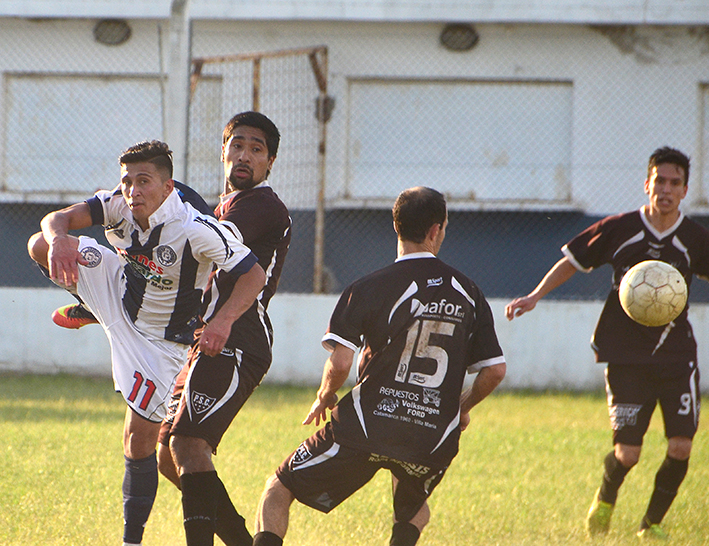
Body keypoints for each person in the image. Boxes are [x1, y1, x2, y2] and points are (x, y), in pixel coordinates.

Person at [27, 140, 266, 546]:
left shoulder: (195, 229)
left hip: (159, 342)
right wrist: (61, 236)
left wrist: (223, 322)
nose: (133, 191)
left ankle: (130, 540)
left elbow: (254, 275)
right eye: (127, 181)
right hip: (118, 292)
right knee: (40, 244)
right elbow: (57, 219)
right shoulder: (119, 203)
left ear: (167, 187)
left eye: (144, 182)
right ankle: (91, 306)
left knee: (138, 442)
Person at [252, 186, 506, 546]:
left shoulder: (367, 287)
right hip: (431, 435)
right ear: (436, 230)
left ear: (396, 226)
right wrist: (460, 409)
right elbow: (494, 370)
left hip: (366, 426)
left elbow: (340, 362)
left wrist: (326, 394)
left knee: (278, 489)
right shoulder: (470, 293)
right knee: (414, 511)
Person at [504, 147, 705, 540]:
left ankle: (652, 524)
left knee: (681, 446)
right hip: (625, 355)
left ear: (684, 190)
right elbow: (573, 261)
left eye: (674, 183)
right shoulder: (620, 228)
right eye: (659, 181)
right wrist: (534, 296)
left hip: (677, 356)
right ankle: (606, 498)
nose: (665, 189)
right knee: (627, 454)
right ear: (647, 183)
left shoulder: (695, 238)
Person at [154, 111, 291, 546]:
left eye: (256, 149)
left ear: (270, 162)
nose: (244, 156)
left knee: (189, 445)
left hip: (238, 337)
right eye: (237, 145)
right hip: (212, 336)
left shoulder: (262, 206)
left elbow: (209, 246)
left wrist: (223, 320)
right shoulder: (222, 206)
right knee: (168, 457)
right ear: (223, 151)